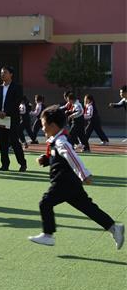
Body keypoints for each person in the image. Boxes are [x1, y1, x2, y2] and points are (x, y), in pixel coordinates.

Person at [28, 105, 124, 248]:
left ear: (53, 125)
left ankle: (48, 235)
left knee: (45, 203)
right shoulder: (56, 139)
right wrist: (46, 160)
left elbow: (72, 157)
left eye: (43, 125)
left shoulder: (61, 142)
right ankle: (114, 228)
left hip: (63, 183)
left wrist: (84, 175)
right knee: (88, 208)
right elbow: (59, 157)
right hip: (71, 184)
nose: (42, 128)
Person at [0, 66, 27, 172]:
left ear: (11, 74)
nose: (2, 74)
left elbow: (16, 102)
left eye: (5, 72)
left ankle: (22, 164)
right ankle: (5, 165)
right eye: (1, 72)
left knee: (14, 141)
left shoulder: (17, 87)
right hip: (1, 118)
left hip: (12, 118)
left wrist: (6, 112)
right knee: (2, 142)